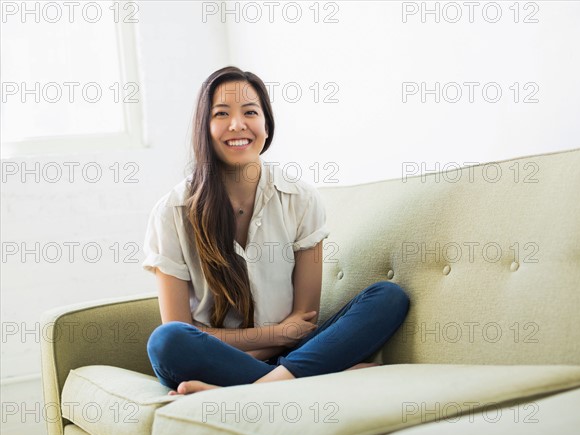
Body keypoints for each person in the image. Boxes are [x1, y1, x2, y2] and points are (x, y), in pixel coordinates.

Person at [143, 66, 410, 395]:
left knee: (387, 298)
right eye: (221, 113)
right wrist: (277, 336)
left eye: (250, 112)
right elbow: (180, 328)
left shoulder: (300, 199)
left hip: (295, 352)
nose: (237, 124)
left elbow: (303, 322)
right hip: (232, 359)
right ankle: (309, 379)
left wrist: (287, 342)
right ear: (204, 128)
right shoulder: (172, 212)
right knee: (167, 341)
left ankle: (254, 390)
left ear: (266, 126)